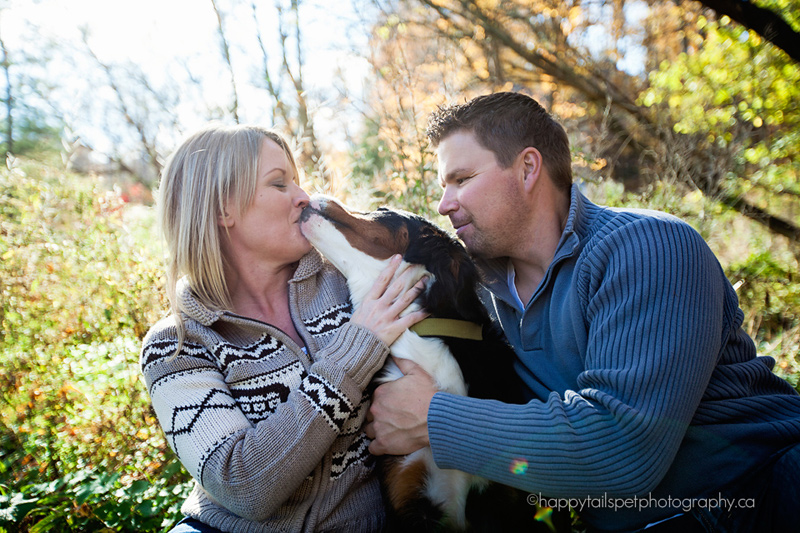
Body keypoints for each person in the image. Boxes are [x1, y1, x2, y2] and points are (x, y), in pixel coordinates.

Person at [364, 92, 800, 532]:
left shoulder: (648, 248)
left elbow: (624, 451)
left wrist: (435, 419)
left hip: (757, 495)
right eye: (443, 185)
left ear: (528, 168)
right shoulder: (477, 298)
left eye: (461, 179)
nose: (444, 204)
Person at [140, 124, 427, 532]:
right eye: (279, 184)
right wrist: (356, 347)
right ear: (224, 210)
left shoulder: (350, 285)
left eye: (296, 180)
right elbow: (244, 485)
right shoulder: (177, 345)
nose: (303, 197)